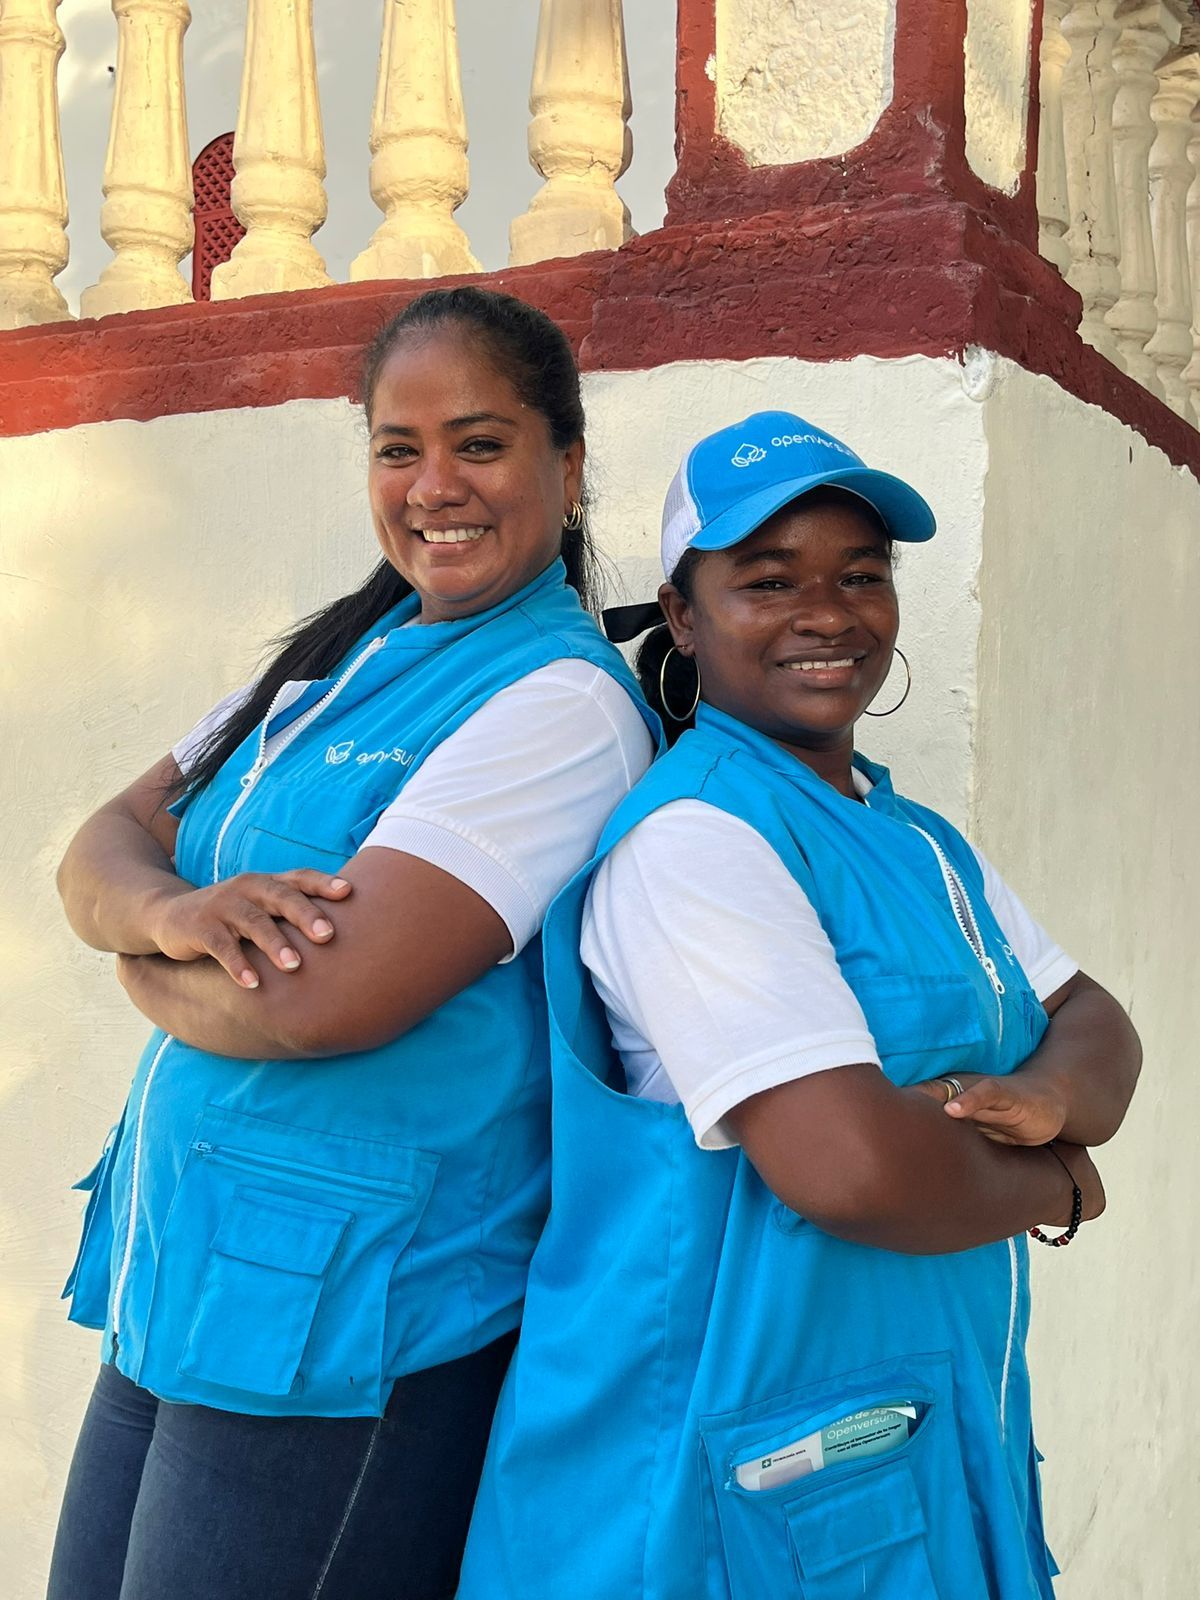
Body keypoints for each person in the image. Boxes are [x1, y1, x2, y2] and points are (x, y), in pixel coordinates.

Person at [458, 411, 1141, 1599]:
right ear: (682, 613)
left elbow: (1095, 1018)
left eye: (860, 576)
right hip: (707, 1483)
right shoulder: (698, 843)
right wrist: (1064, 1178)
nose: (827, 614)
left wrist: (1043, 1093)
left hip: (898, 1445)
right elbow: (853, 1172)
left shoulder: (917, 838)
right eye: (767, 581)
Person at [47, 286, 659, 1600]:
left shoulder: (558, 704)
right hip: (183, 1286)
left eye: (481, 443)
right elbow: (98, 849)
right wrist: (169, 915)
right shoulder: (334, 663)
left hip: (353, 1333)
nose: (435, 484)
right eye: (399, 446)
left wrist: (138, 961)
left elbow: (326, 1002)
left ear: (567, 462)